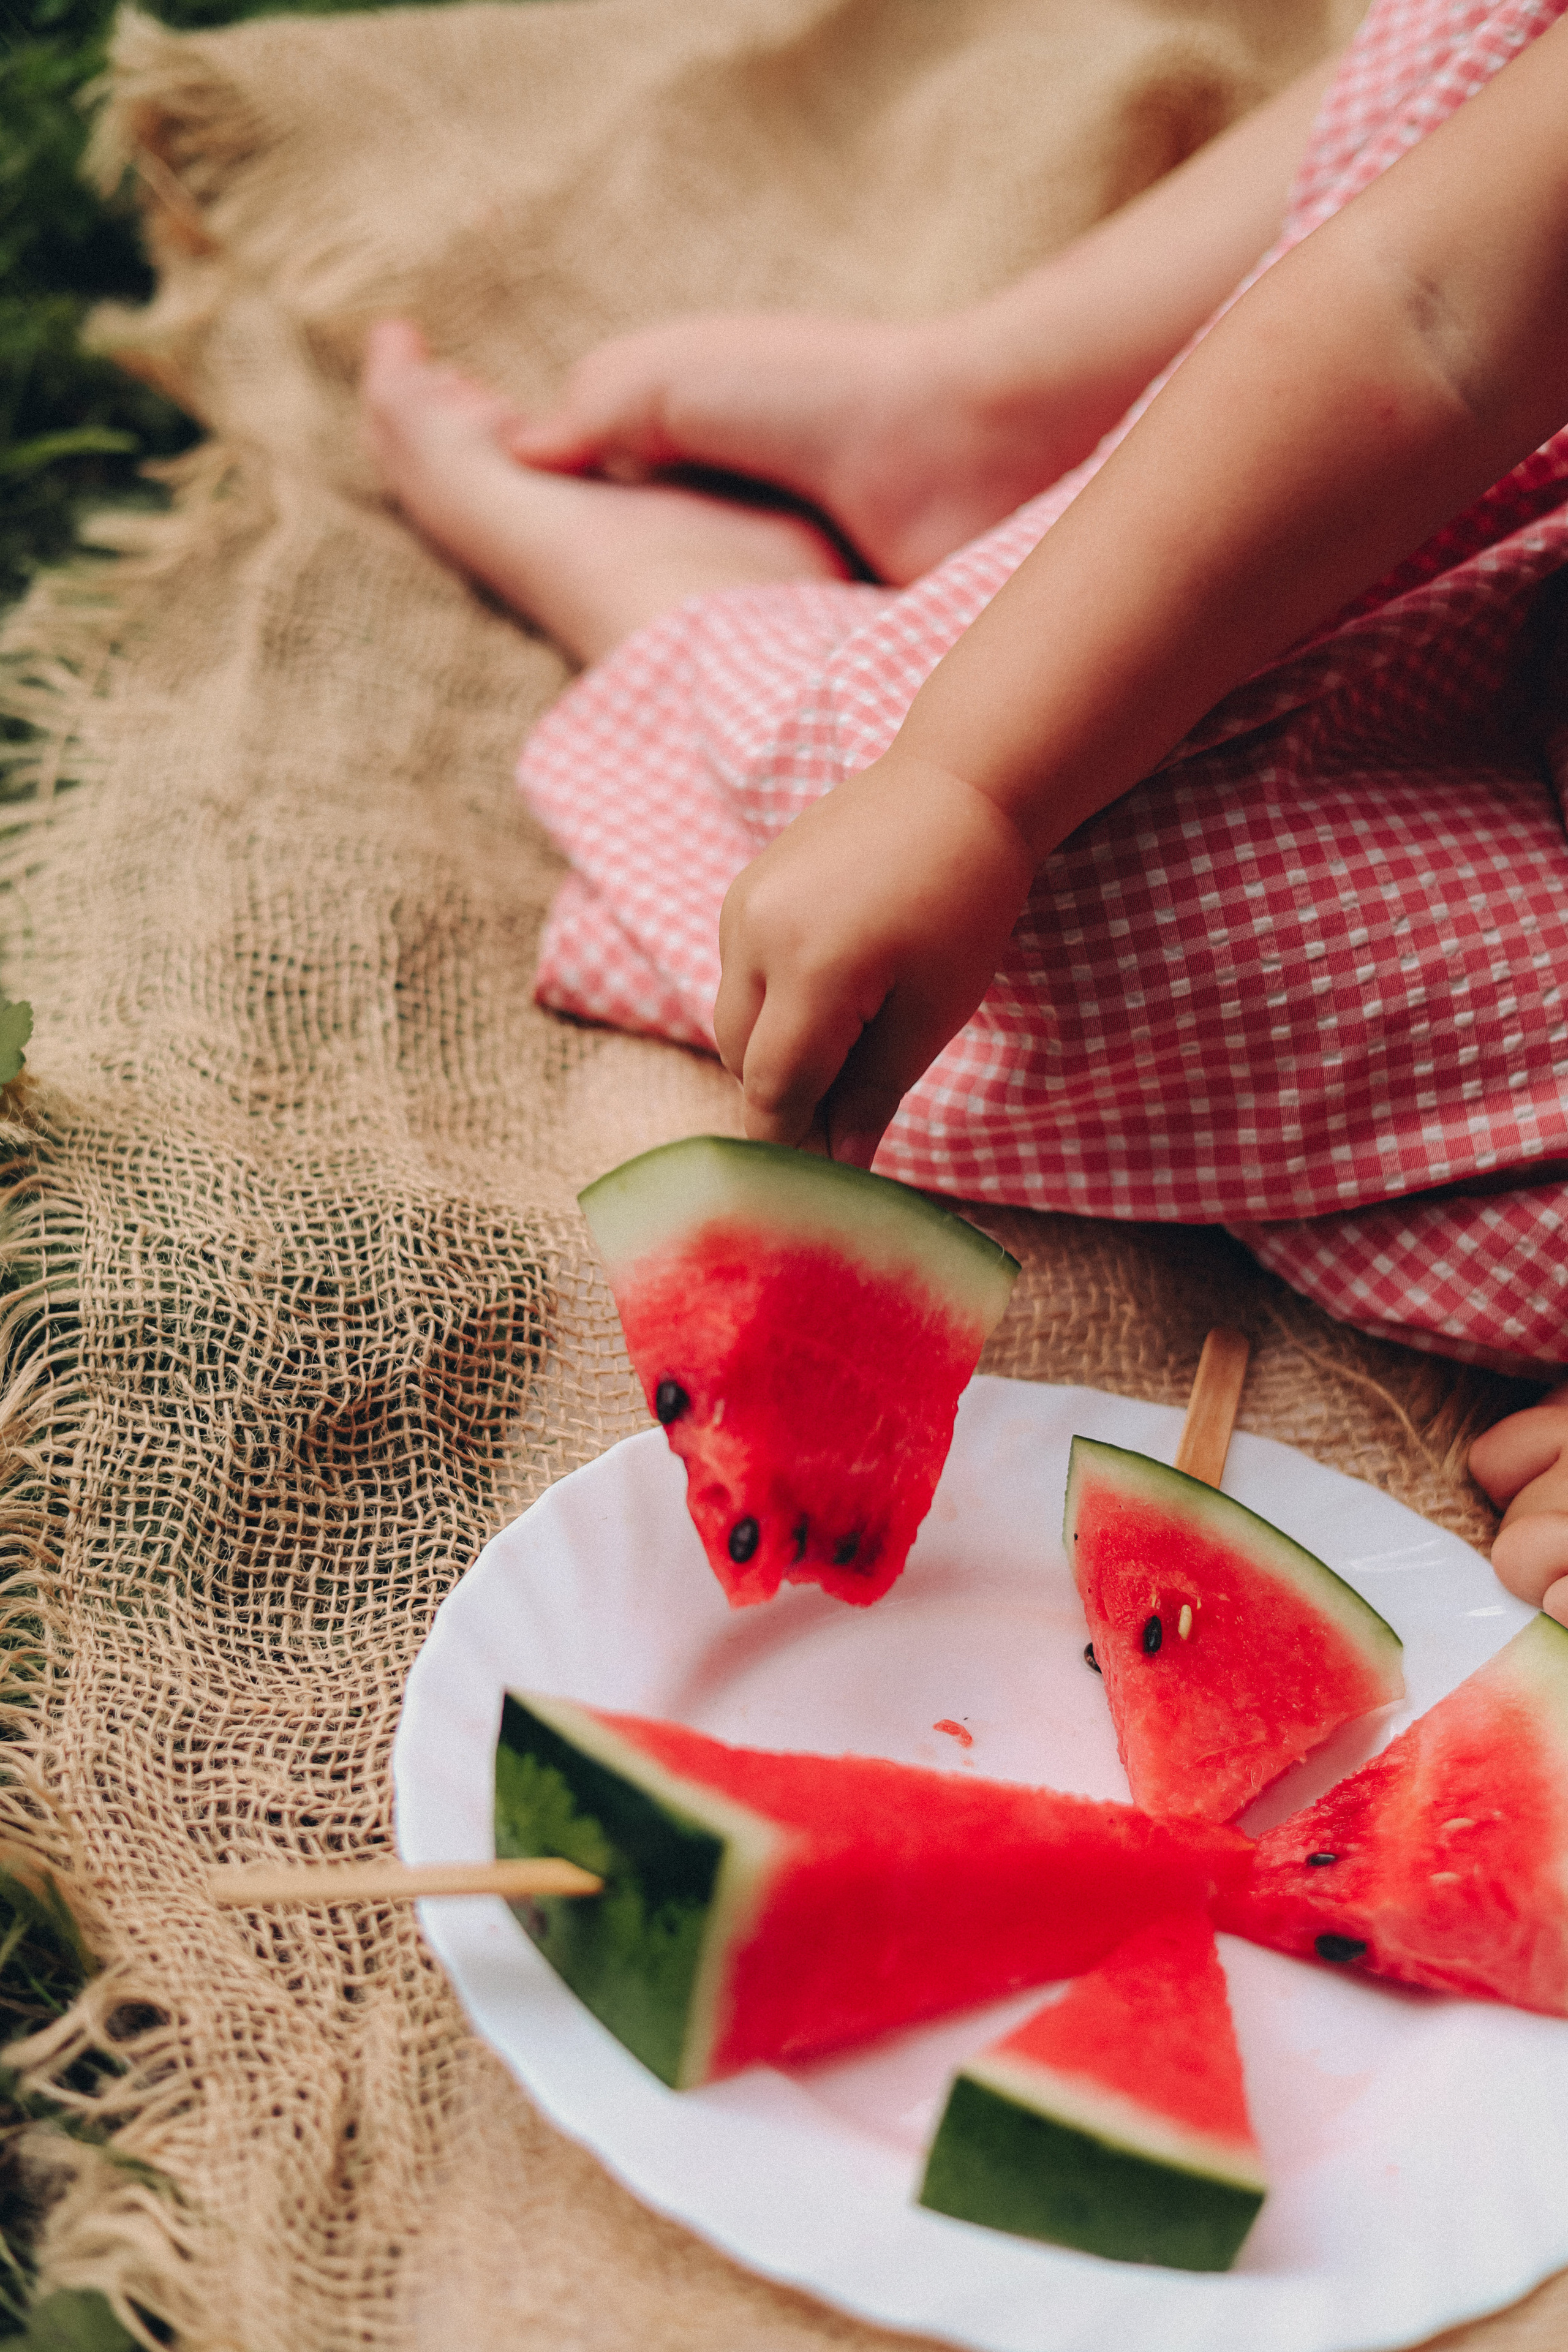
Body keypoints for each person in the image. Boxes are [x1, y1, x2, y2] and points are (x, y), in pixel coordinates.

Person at [361, 0, 1568, 1618]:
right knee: (1020, 900)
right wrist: (965, 782)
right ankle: (961, 435)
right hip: (1438, 527)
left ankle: (764, 617)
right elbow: (1431, 317)